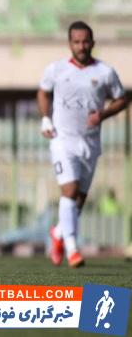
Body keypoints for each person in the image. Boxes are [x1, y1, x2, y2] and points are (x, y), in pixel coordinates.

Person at [38, 21, 127, 268]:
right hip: (62, 140)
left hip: (90, 143)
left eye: (85, 41)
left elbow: (121, 99)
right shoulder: (56, 69)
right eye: (76, 42)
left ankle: (58, 233)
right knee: (69, 191)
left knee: (78, 201)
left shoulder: (105, 72)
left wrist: (103, 114)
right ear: (70, 44)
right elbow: (43, 92)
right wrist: (45, 118)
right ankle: (73, 249)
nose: (81, 46)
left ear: (92, 43)